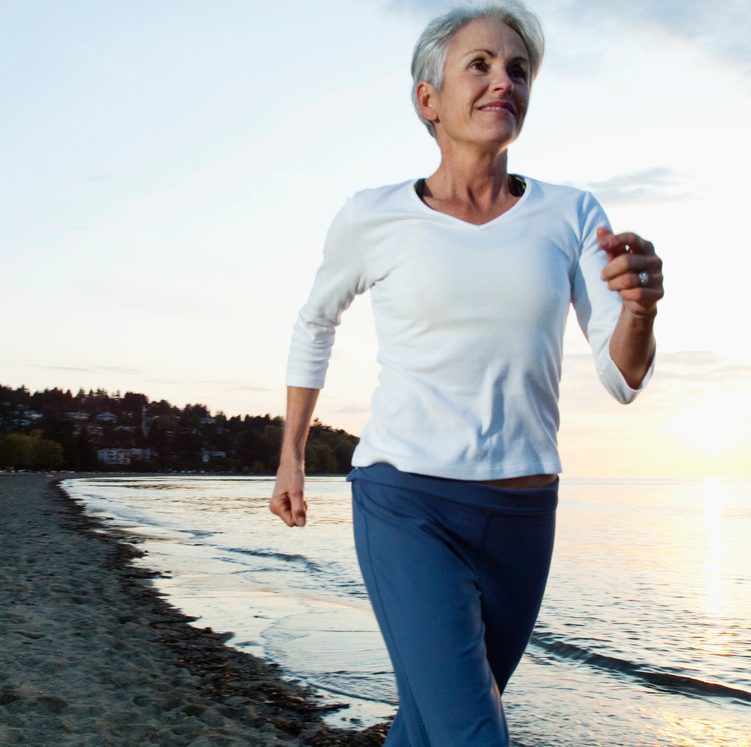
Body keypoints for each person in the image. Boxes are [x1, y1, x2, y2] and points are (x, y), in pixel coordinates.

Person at [270, 1, 663, 744]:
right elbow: (315, 321)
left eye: (517, 69)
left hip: (523, 516)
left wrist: (640, 309)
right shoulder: (372, 216)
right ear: (429, 99)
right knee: (474, 732)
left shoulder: (572, 214)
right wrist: (292, 453)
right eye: (478, 65)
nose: (501, 81)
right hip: (406, 502)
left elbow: (622, 377)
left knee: (430, 725)